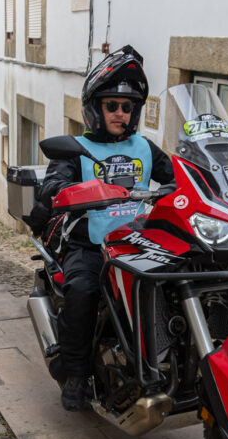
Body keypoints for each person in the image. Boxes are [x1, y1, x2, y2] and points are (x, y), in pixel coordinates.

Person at [39, 45, 174, 412]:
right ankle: (76, 373)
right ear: (95, 109)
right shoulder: (75, 148)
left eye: (127, 107)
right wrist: (61, 189)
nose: (119, 113)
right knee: (82, 290)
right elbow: (54, 183)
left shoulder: (145, 147)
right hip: (91, 243)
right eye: (111, 105)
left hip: (140, 241)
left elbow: (179, 177)